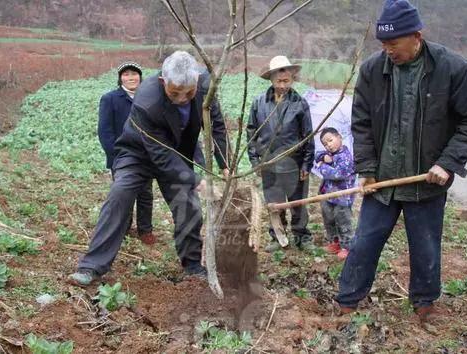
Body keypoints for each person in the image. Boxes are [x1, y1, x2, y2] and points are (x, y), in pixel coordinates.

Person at [335, 0, 467, 321]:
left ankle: (424, 306)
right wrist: (366, 169)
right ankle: (347, 302)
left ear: (416, 36)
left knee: (425, 248)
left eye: (394, 43)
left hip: (426, 182)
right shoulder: (372, 71)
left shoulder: (453, 69)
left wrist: (448, 162)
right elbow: (362, 123)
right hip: (383, 182)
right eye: (383, 44)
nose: (388, 50)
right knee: (364, 242)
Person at [68, 51, 229, 286]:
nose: (182, 99)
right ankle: (91, 266)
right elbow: (161, 156)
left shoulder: (205, 87)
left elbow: (217, 127)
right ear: (163, 81)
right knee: (120, 193)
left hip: (177, 152)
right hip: (138, 153)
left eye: (189, 93)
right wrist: (196, 180)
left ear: (196, 82)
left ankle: (192, 264)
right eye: (175, 93)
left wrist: (225, 164)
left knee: (188, 205)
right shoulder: (147, 99)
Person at [246, 55, 315, 253]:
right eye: (279, 81)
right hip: (269, 163)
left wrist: (306, 164)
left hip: (295, 162)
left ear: (292, 79)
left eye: (287, 81)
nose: (283, 85)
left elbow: (307, 135)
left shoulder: (299, 103)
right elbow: (251, 132)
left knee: (298, 201)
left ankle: (302, 236)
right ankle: (277, 236)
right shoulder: (259, 103)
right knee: (274, 203)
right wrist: (254, 161)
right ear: (272, 79)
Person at [97, 61, 156, 245]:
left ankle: (145, 230)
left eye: (134, 74)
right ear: (120, 78)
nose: (131, 78)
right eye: (126, 74)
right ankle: (123, 227)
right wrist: (115, 156)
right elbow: (105, 131)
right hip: (121, 157)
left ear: (140, 77)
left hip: (145, 155)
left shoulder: (148, 97)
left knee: (145, 193)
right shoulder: (110, 99)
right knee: (124, 194)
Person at [315, 127, 355, 260]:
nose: (328, 145)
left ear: (339, 137)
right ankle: (335, 242)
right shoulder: (329, 154)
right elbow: (317, 155)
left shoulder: (346, 157)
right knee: (329, 220)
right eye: (325, 144)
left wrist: (322, 166)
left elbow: (338, 174)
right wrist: (323, 157)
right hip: (328, 195)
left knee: (343, 221)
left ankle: (347, 247)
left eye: (330, 140)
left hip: (342, 197)